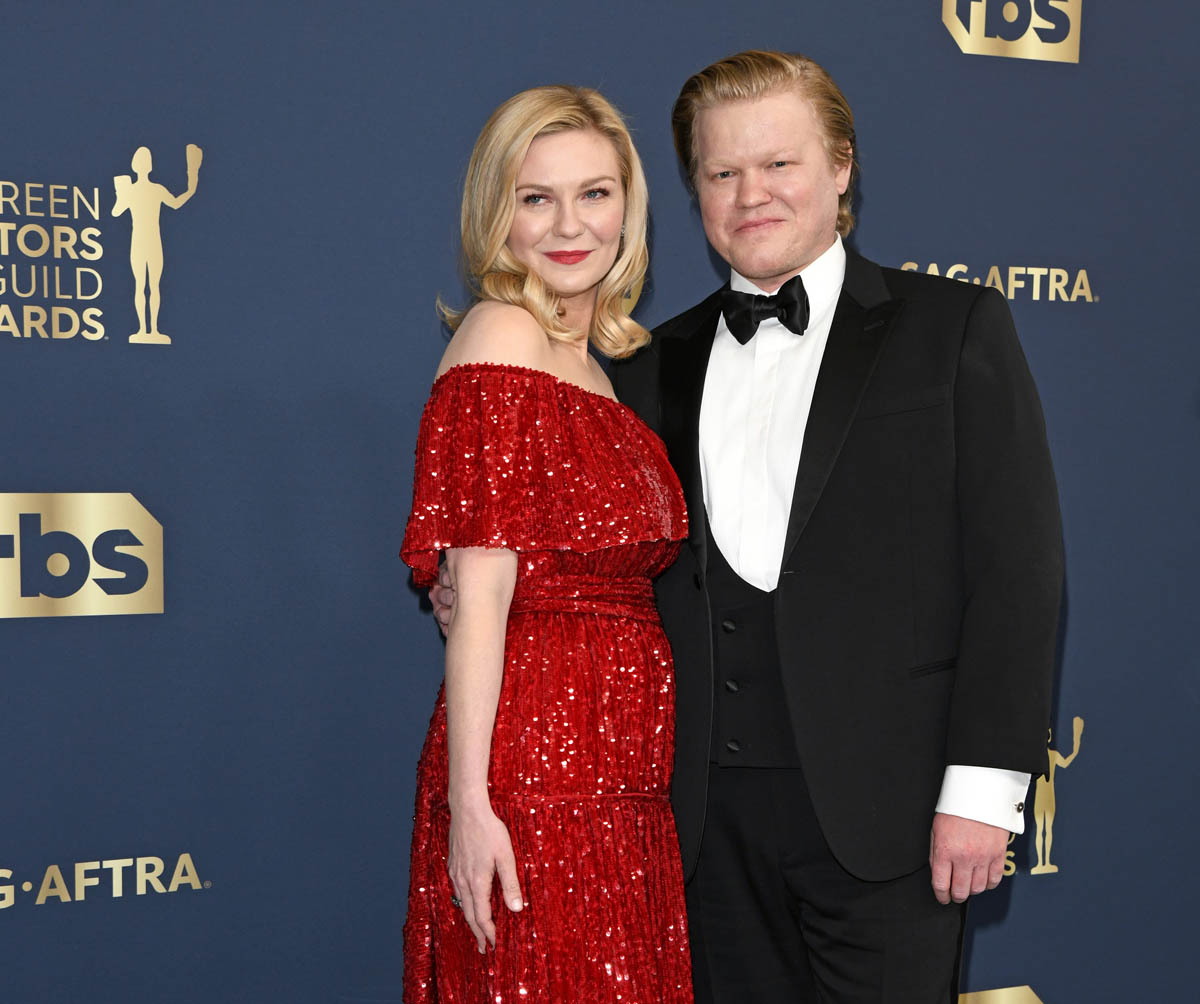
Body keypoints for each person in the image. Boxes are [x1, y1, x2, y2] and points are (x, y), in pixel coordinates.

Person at [605, 51, 1064, 1002]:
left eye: (780, 163)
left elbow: (1017, 572)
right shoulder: (650, 362)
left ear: (842, 166)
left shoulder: (953, 327)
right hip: (703, 827)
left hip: (894, 817)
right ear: (694, 191)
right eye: (722, 172)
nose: (751, 195)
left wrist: (983, 791)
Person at [399, 85, 693, 1004]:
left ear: (628, 208)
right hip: (531, 776)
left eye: (594, 193)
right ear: (499, 215)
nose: (570, 224)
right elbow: (481, 596)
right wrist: (472, 805)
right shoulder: (502, 336)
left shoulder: (597, 367)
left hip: (623, 784)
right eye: (537, 198)